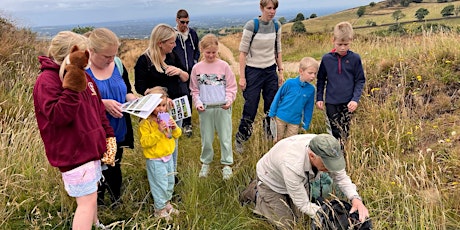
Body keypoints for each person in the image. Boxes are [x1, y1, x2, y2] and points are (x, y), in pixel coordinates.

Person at [33, 31, 113, 229]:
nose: (87, 60)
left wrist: (108, 134)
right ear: (71, 54)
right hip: (73, 152)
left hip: (90, 148)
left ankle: (95, 224)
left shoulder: (85, 77)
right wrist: (72, 84)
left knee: (92, 193)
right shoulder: (47, 81)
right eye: (84, 54)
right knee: (85, 203)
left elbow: (97, 108)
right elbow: (59, 117)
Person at [252, 134, 369, 229]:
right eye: (326, 165)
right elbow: (303, 204)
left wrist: (355, 199)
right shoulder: (292, 164)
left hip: (297, 181)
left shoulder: (328, 148)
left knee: (302, 219)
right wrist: (330, 215)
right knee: (288, 225)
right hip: (271, 182)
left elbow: (341, 178)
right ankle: (256, 193)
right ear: (312, 156)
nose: (329, 169)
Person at [85, 28, 137, 206]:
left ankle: (116, 201)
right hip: (94, 133)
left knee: (115, 165)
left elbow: (127, 91)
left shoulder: (118, 64)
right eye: (106, 56)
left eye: (113, 55)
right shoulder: (81, 71)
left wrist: (137, 102)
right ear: (91, 51)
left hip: (118, 129)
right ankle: (95, 206)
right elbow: (76, 105)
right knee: (94, 171)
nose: (110, 60)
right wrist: (102, 103)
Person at [134, 23, 189, 174]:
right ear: (160, 43)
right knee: (157, 141)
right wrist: (161, 100)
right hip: (156, 112)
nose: (174, 45)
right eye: (171, 42)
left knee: (172, 140)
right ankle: (159, 174)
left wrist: (178, 71)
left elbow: (186, 77)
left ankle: (172, 173)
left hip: (174, 107)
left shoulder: (172, 56)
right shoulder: (144, 61)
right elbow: (140, 87)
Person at [235, 0, 284, 154]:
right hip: (253, 71)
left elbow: (278, 51)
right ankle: (241, 138)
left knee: (271, 106)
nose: (272, 11)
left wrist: (280, 71)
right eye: (269, 8)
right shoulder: (252, 26)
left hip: (270, 71)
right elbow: (242, 53)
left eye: (274, 8)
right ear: (261, 8)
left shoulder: (276, 26)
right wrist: (242, 77)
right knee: (251, 107)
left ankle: (268, 136)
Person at [189, 34, 237, 180]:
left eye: (214, 52)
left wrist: (229, 100)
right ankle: (206, 162)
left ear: (218, 51)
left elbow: (231, 87)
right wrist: (197, 103)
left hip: (222, 107)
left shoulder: (224, 66)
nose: (211, 55)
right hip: (206, 109)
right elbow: (194, 89)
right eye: (208, 52)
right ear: (202, 50)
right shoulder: (197, 68)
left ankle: (227, 164)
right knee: (207, 137)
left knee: (225, 136)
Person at [316, 21, 365, 143]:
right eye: (339, 44)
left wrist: (355, 99)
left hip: (348, 103)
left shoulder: (355, 58)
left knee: (345, 131)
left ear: (351, 40)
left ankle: (344, 154)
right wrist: (319, 98)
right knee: (334, 131)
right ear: (333, 40)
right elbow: (321, 79)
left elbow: (360, 80)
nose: (342, 48)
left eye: (346, 44)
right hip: (331, 102)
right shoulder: (326, 59)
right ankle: (335, 154)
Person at [139, 86, 181, 220]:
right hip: (155, 159)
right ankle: (159, 209)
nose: (161, 109)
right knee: (159, 184)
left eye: (163, 105)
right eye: (157, 106)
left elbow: (176, 135)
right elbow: (145, 142)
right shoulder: (146, 123)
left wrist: (174, 128)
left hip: (168, 156)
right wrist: (158, 131)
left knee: (169, 182)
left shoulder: (166, 117)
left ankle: (167, 203)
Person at [269, 57, 318, 143]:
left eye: (315, 73)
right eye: (310, 73)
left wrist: (306, 123)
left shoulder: (311, 89)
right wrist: (272, 112)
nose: (313, 76)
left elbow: (309, 108)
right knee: (278, 140)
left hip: (295, 121)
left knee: (291, 142)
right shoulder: (289, 83)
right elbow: (278, 96)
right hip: (280, 117)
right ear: (301, 71)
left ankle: (287, 156)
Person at [173, 9, 200, 138]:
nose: (185, 25)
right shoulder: (172, 35)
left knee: (189, 95)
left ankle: (187, 124)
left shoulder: (192, 34)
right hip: (178, 72)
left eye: (187, 22)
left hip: (191, 71)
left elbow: (197, 50)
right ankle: (177, 122)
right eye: (182, 22)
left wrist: (194, 62)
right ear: (177, 20)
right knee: (180, 95)